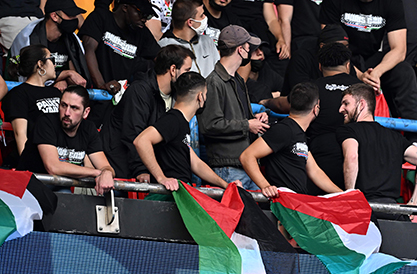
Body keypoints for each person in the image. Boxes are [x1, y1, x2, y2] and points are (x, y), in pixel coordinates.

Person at [319, 0, 417, 122]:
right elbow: (330, 45)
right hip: (343, 58)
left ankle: (412, 130)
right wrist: (360, 75)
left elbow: (399, 49)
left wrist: (376, 73)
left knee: (404, 71)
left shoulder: (391, 1)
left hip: (372, 60)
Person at [101, 45, 193, 180]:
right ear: (173, 70)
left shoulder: (175, 94)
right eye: (187, 70)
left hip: (147, 168)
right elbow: (133, 133)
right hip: (120, 167)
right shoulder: (140, 90)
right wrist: (141, 169)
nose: (189, 76)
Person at [135, 72, 238, 191]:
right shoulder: (173, 119)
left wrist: (226, 185)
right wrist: (161, 178)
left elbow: (196, 164)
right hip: (170, 194)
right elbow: (141, 141)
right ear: (200, 97)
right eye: (205, 94)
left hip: (179, 191)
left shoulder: (181, 122)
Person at [239, 82, 342, 198]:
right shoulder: (284, 130)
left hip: (296, 201)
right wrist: (266, 186)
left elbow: (315, 171)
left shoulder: (297, 132)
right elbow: (247, 156)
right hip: (282, 202)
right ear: (316, 108)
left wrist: (344, 194)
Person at [198, 25, 270, 189]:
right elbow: (209, 125)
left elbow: (236, 119)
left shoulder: (237, 80)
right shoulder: (214, 82)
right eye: (248, 47)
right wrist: (247, 125)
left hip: (247, 165)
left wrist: (254, 120)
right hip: (229, 168)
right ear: (240, 49)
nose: (250, 51)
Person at [336, 83, 417, 205]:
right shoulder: (395, 137)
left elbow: (352, 156)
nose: (340, 109)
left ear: (361, 104)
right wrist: (414, 201)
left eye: (346, 103)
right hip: (391, 208)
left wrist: (350, 196)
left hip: (363, 206)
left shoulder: (348, 130)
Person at [18, 86, 115, 194]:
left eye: (74, 108)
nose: (67, 113)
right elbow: (53, 167)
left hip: (59, 187)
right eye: (63, 105)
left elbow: (105, 166)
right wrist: (97, 173)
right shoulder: (46, 122)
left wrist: (106, 173)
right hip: (27, 188)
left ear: (86, 112)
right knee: (65, 192)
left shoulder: (88, 129)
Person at [3, 45, 85, 156]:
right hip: (36, 156)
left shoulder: (55, 92)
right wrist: (26, 162)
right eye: (51, 59)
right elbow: (20, 134)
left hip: (63, 155)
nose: (55, 65)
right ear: (40, 64)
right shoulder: (19, 94)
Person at [80, 0, 161, 95]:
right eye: (141, 14)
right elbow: (89, 49)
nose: (144, 19)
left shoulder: (142, 32)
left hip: (121, 95)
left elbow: (160, 58)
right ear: (125, 8)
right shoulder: (101, 18)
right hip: (94, 92)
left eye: (148, 16)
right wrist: (101, 84)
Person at [304, 42, 361, 193]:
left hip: (320, 155)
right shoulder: (362, 89)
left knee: (320, 202)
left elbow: (287, 104)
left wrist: (267, 102)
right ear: (348, 66)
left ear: (320, 66)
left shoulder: (312, 87)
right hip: (357, 153)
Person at [10, 0, 88, 82]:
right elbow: (31, 77)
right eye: (70, 15)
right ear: (54, 16)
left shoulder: (71, 39)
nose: (75, 19)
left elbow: (76, 74)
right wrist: (65, 75)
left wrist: (63, 81)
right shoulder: (29, 37)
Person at [282, 21, 350, 96]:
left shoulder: (344, 58)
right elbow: (301, 92)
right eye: (338, 47)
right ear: (322, 46)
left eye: (345, 46)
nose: (342, 50)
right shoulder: (301, 58)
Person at [158, 0, 218, 78]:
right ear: (190, 22)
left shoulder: (207, 41)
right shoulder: (164, 46)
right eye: (201, 15)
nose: (205, 17)